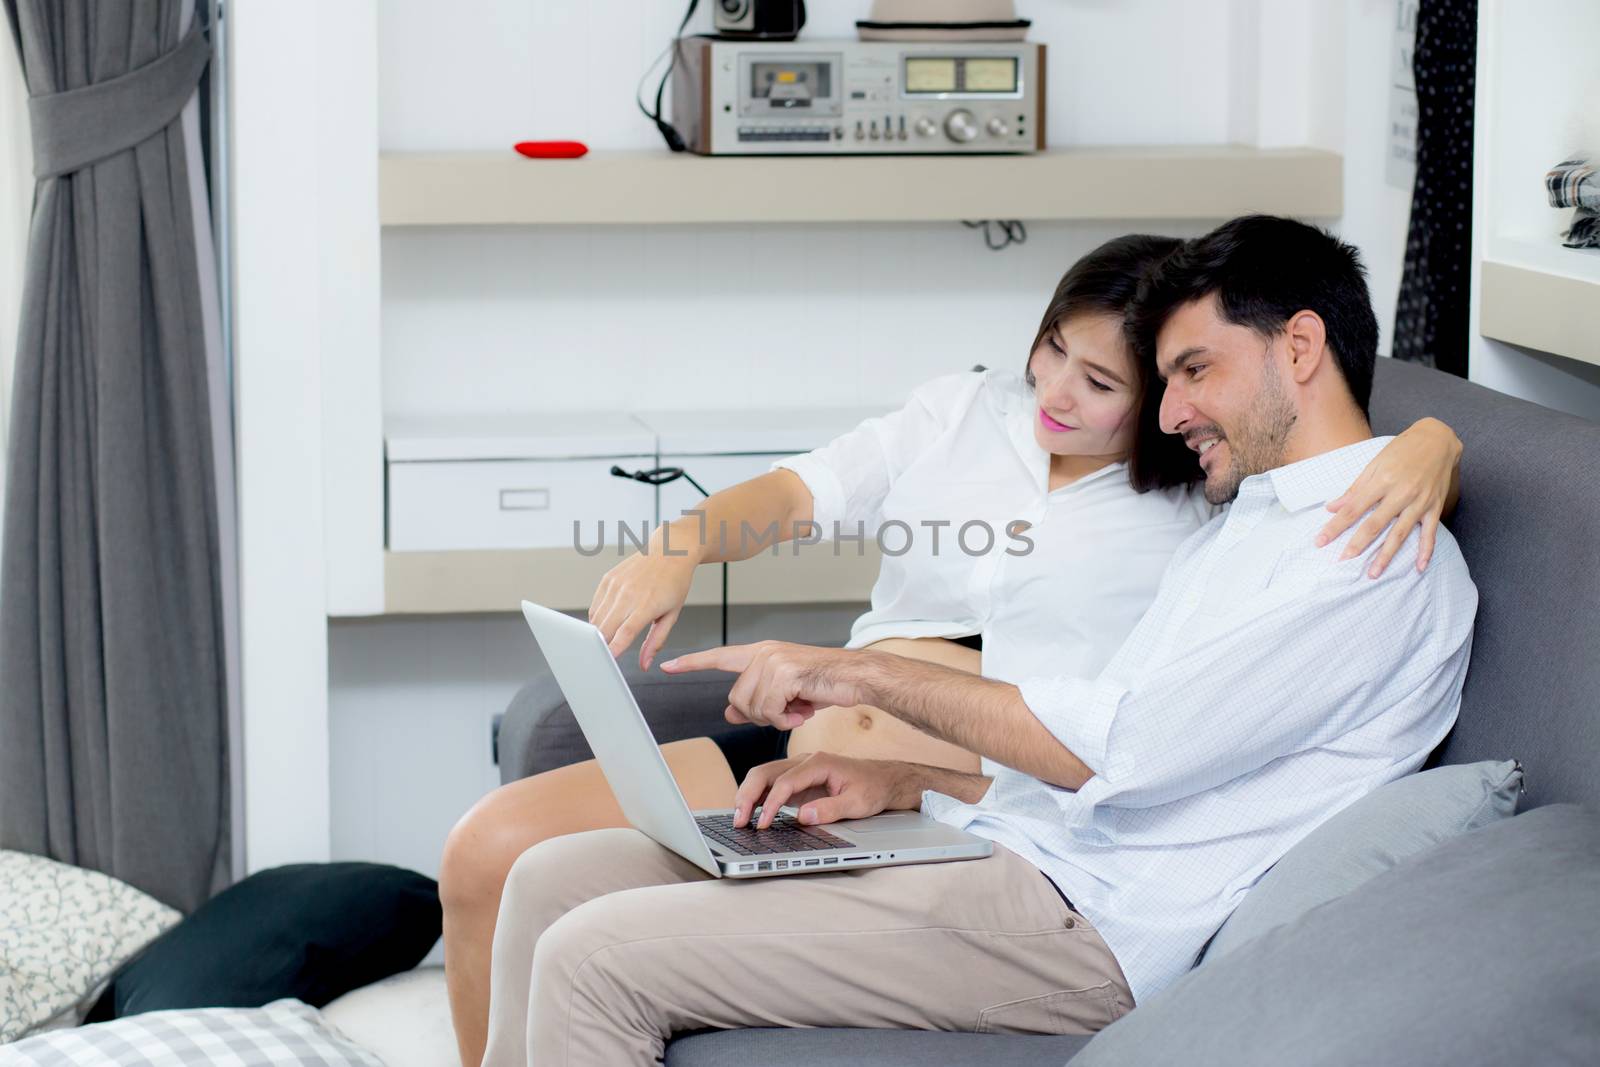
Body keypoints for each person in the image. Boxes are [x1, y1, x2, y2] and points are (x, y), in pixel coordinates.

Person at [442, 232, 1464, 1067]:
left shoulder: (1359, 552)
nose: (1171, 410)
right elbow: (1112, 777)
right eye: (1160, 378)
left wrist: (851, 669)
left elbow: (1117, 751)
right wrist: (904, 784)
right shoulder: (1260, 515)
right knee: (547, 878)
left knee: (596, 954)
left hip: (1083, 924)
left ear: (1297, 348)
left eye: (1190, 372)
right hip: (1001, 836)